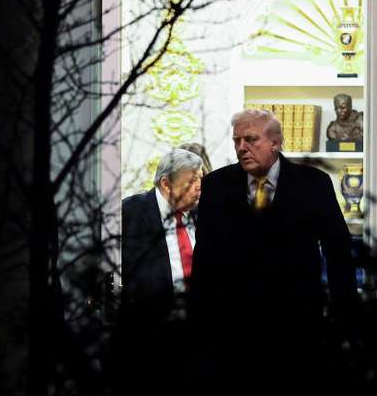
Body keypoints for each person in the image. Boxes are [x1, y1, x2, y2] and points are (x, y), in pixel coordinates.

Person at [189, 109, 359, 390]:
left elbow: (338, 252)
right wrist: (198, 324)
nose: (242, 148)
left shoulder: (313, 184)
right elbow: (204, 259)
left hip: (297, 327)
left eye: (251, 139)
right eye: (237, 141)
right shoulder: (216, 186)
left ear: (275, 143)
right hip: (233, 332)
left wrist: (346, 322)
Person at [115, 148, 203, 395]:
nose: (199, 187)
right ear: (166, 184)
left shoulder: (203, 212)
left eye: (201, 179)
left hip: (196, 332)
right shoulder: (129, 213)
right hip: (149, 336)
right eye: (191, 181)